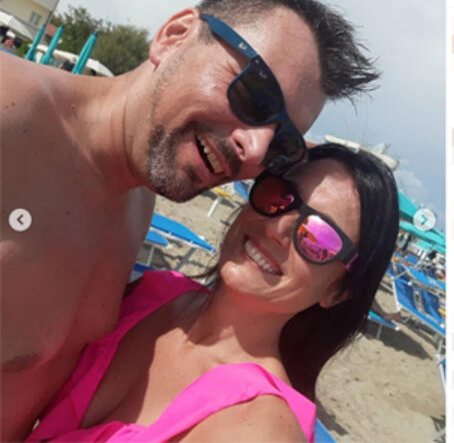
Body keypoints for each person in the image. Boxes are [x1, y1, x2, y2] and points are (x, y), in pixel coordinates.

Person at [0, 0, 378, 440]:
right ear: (174, 35)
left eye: (282, 144)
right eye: (255, 96)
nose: (256, 150)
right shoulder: (11, 116)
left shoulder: (136, 204)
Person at [25, 143, 399, 442]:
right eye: (281, 196)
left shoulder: (261, 428)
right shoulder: (154, 293)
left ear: (339, 292)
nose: (277, 227)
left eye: (319, 237)